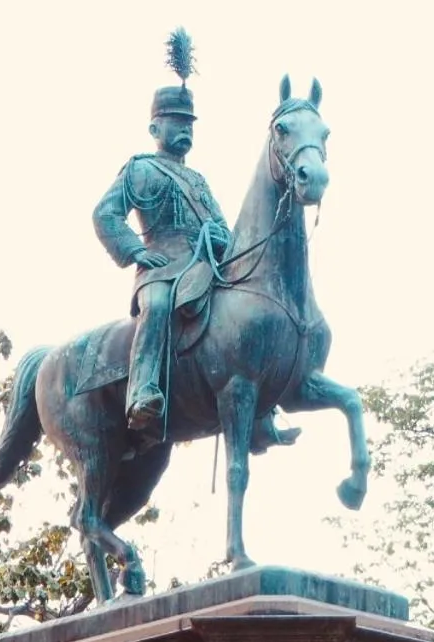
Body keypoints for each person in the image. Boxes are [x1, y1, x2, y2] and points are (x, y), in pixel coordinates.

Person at [92, 37, 299, 453]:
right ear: (155, 128)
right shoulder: (139, 169)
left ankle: (261, 415)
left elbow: (221, 226)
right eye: (176, 122)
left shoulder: (199, 181)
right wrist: (134, 251)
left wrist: (223, 240)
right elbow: (104, 214)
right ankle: (142, 391)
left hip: (205, 265)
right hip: (162, 266)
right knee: (159, 307)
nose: (185, 129)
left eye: (189, 124)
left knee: (245, 321)